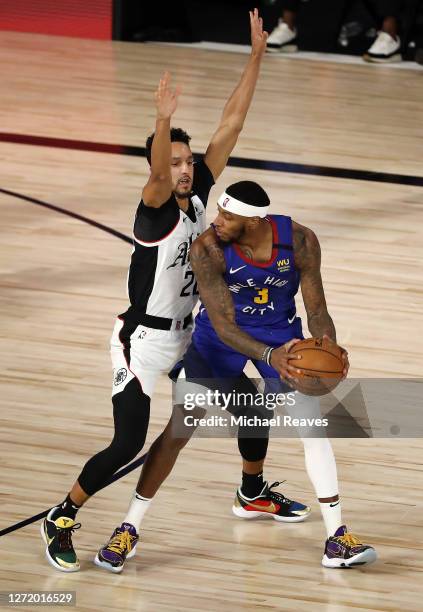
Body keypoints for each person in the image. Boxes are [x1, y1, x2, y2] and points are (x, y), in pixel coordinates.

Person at [41, 9, 272, 573]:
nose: (186, 169)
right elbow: (157, 176)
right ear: (159, 167)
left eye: (189, 161)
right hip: (141, 342)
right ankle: (62, 515)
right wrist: (161, 119)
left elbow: (230, 126)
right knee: (126, 446)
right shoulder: (154, 211)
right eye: (175, 162)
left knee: (252, 405)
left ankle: (252, 491)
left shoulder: (198, 200)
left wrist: (257, 57)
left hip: (189, 335)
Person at [111, 180, 377, 569]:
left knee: (311, 427)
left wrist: (326, 346)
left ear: (254, 223)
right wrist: (272, 357)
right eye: (220, 212)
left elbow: (317, 308)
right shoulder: (208, 248)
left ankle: (336, 538)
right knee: (180, 429)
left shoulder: (300, 241)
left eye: (228, 216)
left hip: (281, 335)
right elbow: (223, 326)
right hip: (219, 340)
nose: (217, 221)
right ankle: (127, 529)